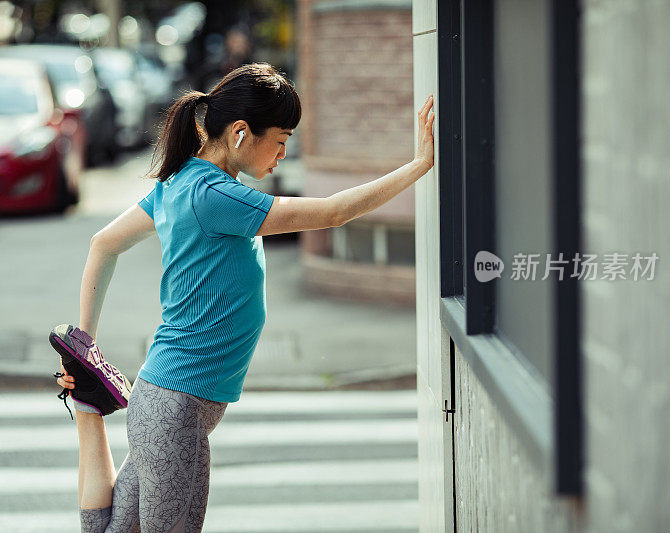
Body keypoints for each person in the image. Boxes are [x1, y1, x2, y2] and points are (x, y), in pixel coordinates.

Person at [51, 62, 435, 532]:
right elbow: (333, 212)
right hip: (176, 410)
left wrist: (86, 344)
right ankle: (90, 403)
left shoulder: (178, 184)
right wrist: (418, 165)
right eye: (280, 140)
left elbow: (102, 244)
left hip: (162, 399)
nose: (282, 155)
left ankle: (89, 407)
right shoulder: (216, 195)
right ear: (240, 133)